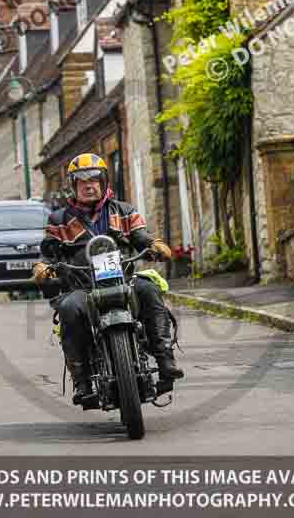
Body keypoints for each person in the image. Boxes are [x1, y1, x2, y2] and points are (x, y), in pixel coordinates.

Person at [33, 153, 184, 404]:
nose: (88, 185)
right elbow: (48, 253)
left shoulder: (124, 211)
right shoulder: (58, 220)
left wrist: (155, 244)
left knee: (149, 290)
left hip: (124, 282)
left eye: (94, 179)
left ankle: (165, 359)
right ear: (73, 185)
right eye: (81, 181)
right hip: (83, 288)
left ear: (104, 181)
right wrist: (42, 266)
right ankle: (82, 382)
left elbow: (141, 237)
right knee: (69, 308)